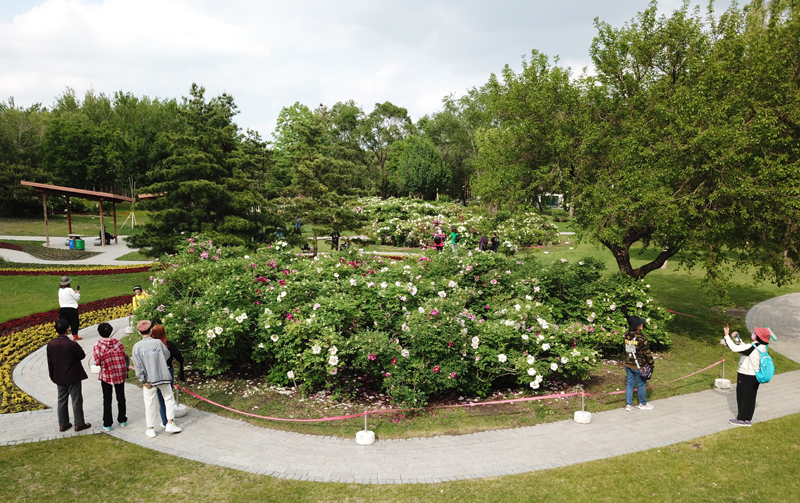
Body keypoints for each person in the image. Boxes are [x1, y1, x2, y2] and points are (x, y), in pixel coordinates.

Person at [131, 320, 182, 437]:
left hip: (149, 380)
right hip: (162, 376)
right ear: (150, 331)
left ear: (139, 332)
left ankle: (151, 429)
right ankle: (169, 423)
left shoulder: (137, 347)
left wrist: (143, 380)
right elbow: (167, 355)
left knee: (149, 404)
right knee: (169, 399)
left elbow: (138, 366)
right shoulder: (158, 343)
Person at [723, 326, 776, 426]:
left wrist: (726, 336)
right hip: (754, 376)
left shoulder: (753, 347)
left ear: (759, 337)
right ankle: (747, 419)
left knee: (743, 397)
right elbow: (745, 347)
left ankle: (741, 419)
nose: (754, 334)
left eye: (756, 334)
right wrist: (737, 339)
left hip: (746, 375)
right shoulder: (761, 347)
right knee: (751, 397)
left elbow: (735, 348)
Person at [47, 319, 91, 432]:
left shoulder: (51, 344)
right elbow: (81, 356)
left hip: (59, 376)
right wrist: (76, 344)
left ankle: (63, 424)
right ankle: (79, 424)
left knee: (61, 400)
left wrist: (52, 375)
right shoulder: (71, 344)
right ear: (67, 330)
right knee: (76, 399)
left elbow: (50, 361)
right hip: (73, 375)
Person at [92, 322, 128, 431]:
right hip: (120, 373)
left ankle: (107, 423)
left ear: (99, 333)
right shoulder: (118, 343)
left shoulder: (98, 346)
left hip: (106, 375)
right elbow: (124, 355)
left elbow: (97, 362)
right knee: (121, 397)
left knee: (107, 399)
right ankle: (122, 419)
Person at [150, 324, 184, 429]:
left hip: (156, 373)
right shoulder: (168, 345)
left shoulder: (151, 347)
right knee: (168, 397)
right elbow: (180, 357)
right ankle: (170, 421)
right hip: (168, 371)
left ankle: (164, 421)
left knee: (161, 399)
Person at [623, 315, 654, 411]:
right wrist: (651, 363)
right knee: (641, 384)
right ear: (636, 325)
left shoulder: (626, 335)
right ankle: (643, 403)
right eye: (640, 323)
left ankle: (629, 404)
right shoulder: (642, 337)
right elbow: (647, 353)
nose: (642, 324)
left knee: (630, 384)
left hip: (628, 363)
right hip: (639, 365)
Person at [58, 276, 82, 341]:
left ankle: (63, 336)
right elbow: (76, 298)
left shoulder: (60, 290)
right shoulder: (70, 290)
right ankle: (75, 336)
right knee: (74, 322)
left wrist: (74, 293)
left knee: (64, 323)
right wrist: (77, 293)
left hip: (63, 308)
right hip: (72, 308)